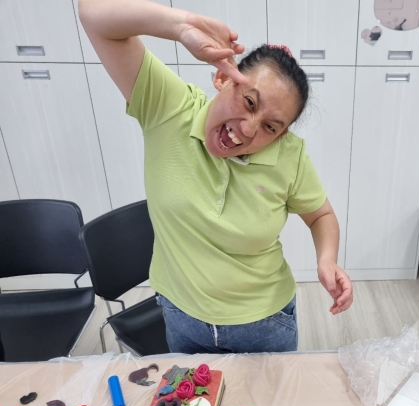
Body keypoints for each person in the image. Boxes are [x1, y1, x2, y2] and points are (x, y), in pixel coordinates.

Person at [79, 0, 353, 354]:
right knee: (191, 393)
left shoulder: (290, 155)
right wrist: (181, 26)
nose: (249, 129)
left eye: (270, 127)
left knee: (272, 394)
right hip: (182, 316)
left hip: (266, 322)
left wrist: (326, 260)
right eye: (249, 102)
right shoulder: (169, 109)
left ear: (281, 134)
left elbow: (320, 215)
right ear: (224, 78)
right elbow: (93, 14)